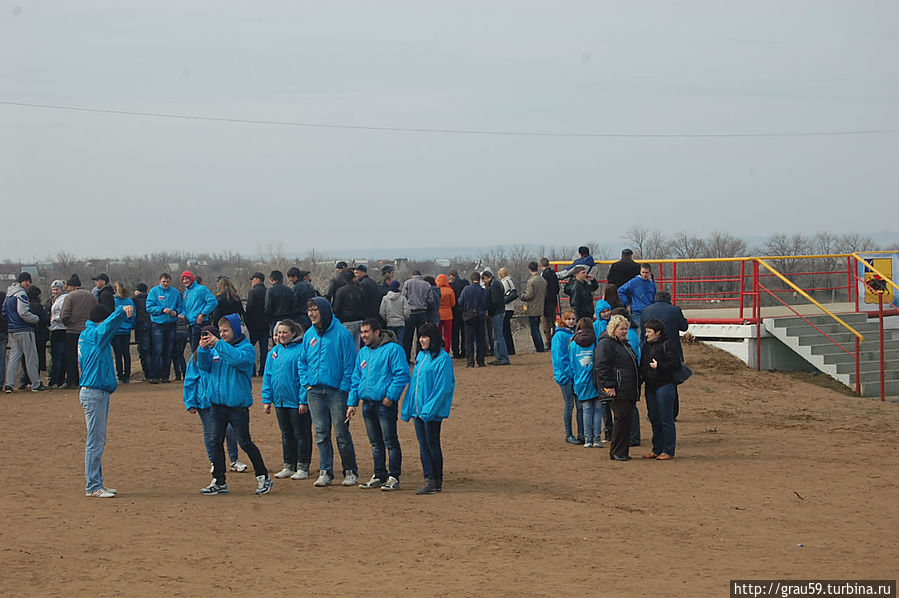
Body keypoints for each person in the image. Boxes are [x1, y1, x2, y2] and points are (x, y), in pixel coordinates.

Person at [198, 313, 273, 496]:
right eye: (221, 331)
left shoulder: (246, 349)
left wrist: (218, 345)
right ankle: (219, 480)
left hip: (237, 405)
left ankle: (263, 476)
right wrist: (203, 350)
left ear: (235, 330)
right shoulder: (217, 348)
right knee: (215, 441)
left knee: (245, 442)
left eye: (226, 330)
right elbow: (205, 367)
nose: (222, 334)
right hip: (217, 404)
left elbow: (237, 360)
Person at [298, 297, 359, 488]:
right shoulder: (309, 335)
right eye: (309, 311)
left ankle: (350, 470)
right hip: (314, 391)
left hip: (336, 392)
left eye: (315, 309)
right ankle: (325, 471)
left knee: (341, 433)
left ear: (324, 310)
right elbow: (302, 361)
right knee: (321, 433)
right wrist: (306, 383)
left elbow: (350, 364)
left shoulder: (342, 334)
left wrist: (343, 388)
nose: (311, 314)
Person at [346, 318, 410, 491]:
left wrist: (391, 396)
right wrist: (352, 402)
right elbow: (356, 378)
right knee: (375, 443)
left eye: (366, 332)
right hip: (367, 403)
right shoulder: (363, 353)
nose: (363, 335)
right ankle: (379, 474)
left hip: (384, 404)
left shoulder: (393, 350)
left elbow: (401, 374)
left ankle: (394, 476)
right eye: (362, 332)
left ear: (377, 332)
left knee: (390, 441)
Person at [78, 302, 133, 497]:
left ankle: (96, 482)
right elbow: (107, 328)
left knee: (97, 439)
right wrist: (121, 313)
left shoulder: (87, 336)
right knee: (95, 440)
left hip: (95, 392)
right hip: (94, 393)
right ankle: (93, 486)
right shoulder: (94, 336)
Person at [183, 326, 248, 478]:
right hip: (203, 401)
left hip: (219, 399)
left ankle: (234, 459)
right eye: (203, 336)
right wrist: (190, 402)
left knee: (230, 431)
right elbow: (190, 380)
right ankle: (214, 461)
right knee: (210, 433)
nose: (206, 339)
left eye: (209, 335)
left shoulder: (222, 352)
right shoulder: (197, 356)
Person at [401, 322, 455, 495]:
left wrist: (429, 409)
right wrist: (409, 407)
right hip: (418, 410)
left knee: (432, 444)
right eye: (421, 337)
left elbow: (443, 387)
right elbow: (414, 384)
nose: (422, 340)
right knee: (424, 445)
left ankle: (434, 479)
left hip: (430, 412)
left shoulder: (443, 359)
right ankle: (431, 479)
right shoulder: (421, 357)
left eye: (425, 337)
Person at [262, 319, 312, 480]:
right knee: (286, 434)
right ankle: (288, 465)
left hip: (296, 401)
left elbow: (305, 378)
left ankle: (303, 466)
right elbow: (268, 376)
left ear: (293, 333)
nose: (281, 335)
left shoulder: (300, 351)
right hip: (280, 401)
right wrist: (267, 399)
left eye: (285, 332)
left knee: (301, 434)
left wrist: (303, 401)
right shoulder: (273, 353)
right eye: (279, 333)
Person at [594, 314, 641, 461]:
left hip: (626, 389)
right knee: (621, 420)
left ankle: (620, 451)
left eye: (626, 328)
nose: (624, 331)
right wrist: (609, 386)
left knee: (625, 420)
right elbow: (601, 366)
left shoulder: (623, 344)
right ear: (613, 329)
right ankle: (617, 452)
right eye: (621, 329)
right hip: (618, 389)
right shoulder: (606, 344)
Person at [641, 290, 689, 419]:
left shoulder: (646, 310)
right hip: (670, 348)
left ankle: (653, 411)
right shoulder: (675, 310)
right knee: (672, 380)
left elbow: (642, 331)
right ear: (669, 299)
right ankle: (672, 412)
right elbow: (684, 327)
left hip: (650, 350)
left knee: (651, 380)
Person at [640, 318, 680, 460]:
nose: (646, 334)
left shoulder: (667, 345)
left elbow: (675, 364)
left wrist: (660, 366)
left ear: (658, 332)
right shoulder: (646, 346)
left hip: (665, 385)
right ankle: (656, 448)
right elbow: (642, 364)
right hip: (650, 386)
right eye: (646, 331)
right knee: (654, 418)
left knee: (666, 418)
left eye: (649, 331)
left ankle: (668, 450)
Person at [2, 273, 44, 393]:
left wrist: (11, 322)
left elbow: (4, 312)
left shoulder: (9, 294)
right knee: (31, 357)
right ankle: (36, 384)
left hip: (12, 330)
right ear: (21, 282)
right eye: (26, 281)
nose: (28, 284)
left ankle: (9, 384)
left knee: (14, 358)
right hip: (24, 329)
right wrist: (35, 319)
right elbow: (23, 312)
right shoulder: (21, 294)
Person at [570, 317, 604, 448]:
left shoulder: (573, 344)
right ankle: (597, 439)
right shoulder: (596, 343)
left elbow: (572, 364)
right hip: (595, 381)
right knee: (597, 410)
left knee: (586, 410)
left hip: (580, 381)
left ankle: (588, 439)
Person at [551, 310, 583, 444]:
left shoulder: (574, 333)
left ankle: (582, 433)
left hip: (575, 375)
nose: (571, 321)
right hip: (565, 376)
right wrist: (571, 373)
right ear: (564, 320)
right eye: (568, 319)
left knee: (581, 405)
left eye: (573, 319)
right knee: (569, 405)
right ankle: (569, 434)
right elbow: (560, 359)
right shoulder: (559, 336)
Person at [61, 274, 97, 387]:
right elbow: (97, 311)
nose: (67, 289)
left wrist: (69, 324)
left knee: (72, 357)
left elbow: (64, 314)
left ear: (72, 286)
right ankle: (89, 379)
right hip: (88, 330)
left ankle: (73, 380)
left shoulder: (70, 297)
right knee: (88, 356)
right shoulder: (91, 296)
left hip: (73, 331)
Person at [146, 273, 182, 384]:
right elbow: (149, 307)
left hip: (171, 324)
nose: (165, 283)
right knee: (158, 350)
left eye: (167, 281)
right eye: (163, 281)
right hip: (158, 324)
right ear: (159, 281)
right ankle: (154, 376)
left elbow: (180, 306)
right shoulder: (153, 292)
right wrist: (161, 310)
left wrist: (176, 312)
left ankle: (165, 376)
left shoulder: (175, 293)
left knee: (169, 351)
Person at [180, 270, 218, 353]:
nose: (185, 281)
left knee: (201, 350)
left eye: (187, 278)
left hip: (201, 324)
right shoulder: (186, 293)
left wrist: (203, 314)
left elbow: (213, 302)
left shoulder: (201, 289)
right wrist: (183, 314)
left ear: (192, 279)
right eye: (183, 279)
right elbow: (184, 308)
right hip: (190, 324)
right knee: (194, 351)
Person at [458, 271, 487, 368]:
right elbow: (486, 304)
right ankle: (481, 361)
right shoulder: (484, 291)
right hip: (481, 316)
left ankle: (470, 361)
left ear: (471, 279)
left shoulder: (466, 289)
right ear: (479, 280)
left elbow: (460, 302)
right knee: (481, 339)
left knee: (469, 340)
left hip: (469, 317)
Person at [401, 270, 432, 362]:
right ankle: (420, 357)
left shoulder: (407, 283)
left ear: (412, 275)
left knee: (408, 337)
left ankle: (407, 357)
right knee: (422, 337)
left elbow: (403, 296)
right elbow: (431, 299)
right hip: (422, 312)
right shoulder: (427, 285)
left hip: (411, 313)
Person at [482, 270, 510, 366]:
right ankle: (499, 357)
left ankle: (503, 358)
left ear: (486, 277)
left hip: (497, 312)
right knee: (497, 336)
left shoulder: (493, 285)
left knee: (498, 336)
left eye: (484, 280)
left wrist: (487, 308)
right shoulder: (497, 283)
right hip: (500, 311)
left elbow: (495, 301)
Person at [243, 273, 268, 377]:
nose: (252, 281)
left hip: (253, 326)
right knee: (264, 350)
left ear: (257, 280)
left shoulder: (252, 292)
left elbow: (249, 308)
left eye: (253, 279)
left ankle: (252, 371)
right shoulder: (268, 291)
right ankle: (263, 371)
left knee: (250, 349)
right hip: (265, 325)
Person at [519, 261, 547, 353]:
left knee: (534, 330)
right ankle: (541, 347)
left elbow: (529, 295)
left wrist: (523, 296)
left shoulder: (531, 281)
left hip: (533, 308)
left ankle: (539, 348)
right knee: (537, 328)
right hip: (541, 306)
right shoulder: (542, 280)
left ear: (530, 269)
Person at [111, 282, 135, 384]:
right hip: (126, 331)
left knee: (118, 354)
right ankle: (127, 375)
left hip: (117, 331)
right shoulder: (129, 301)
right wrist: (129, 326)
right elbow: (133, 316)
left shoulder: (113, 301)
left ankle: (120, 375)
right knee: (126, 353)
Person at [48, 280, 68, 388]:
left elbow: (63, 314)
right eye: (53, 289)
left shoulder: (63, 299)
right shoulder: (55, 299)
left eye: (57, 289)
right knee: (59, 356)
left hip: (59, 329)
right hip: (56, 329)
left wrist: (54, 319)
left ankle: (56, 379)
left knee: (57, 356)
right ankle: (59, 379)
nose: (55, 291)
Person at [380, 280, 410, 349]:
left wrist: (386, 319)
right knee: (400, 342)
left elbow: (382, 311)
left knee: (390, 342)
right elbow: (406, 311)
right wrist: (404, 318)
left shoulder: (385, 298)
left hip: (390, 323)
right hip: (400, 323)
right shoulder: (402, 298)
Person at [264, 270, 294, 337]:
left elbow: (268, 308)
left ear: (271, 279)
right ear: (282, 279)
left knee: (276, 339)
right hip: (288, 318)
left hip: (275, 319)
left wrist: (268, 319)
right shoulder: (289, 290)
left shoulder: (270, 291)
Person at [132, 283, 152, 381]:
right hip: (151, 325)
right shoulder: (150, 298)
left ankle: (149, 375)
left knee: (144, 351)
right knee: (151, 350)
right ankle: (154, 374)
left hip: (141, 326)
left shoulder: (135, 300)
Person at [540, 257, 560, 350]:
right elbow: (557, 288)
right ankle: (555, 340)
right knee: (553, 321)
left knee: (546, 323)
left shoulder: (543, 275)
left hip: (546, 302)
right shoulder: (553, 274)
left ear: (541, 265)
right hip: (553, 300)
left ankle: (548, 342)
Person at [447, 269, 468, 358]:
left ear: (451, 276)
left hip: (454, 311)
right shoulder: (465, 283)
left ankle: (456, 352)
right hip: (465, 310)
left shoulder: (450, 285)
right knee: (464, 332)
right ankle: (464, 351)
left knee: (454, 333)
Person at [498, 267, 517, 356]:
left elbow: (503, 294)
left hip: (506, 308)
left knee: (505, 330)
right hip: (511, 307)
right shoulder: (510, 281)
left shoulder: (504, 283)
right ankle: (511, 349)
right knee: (507, 329)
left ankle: (508, 349)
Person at [435, 274, 456, 353]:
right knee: (447, 335)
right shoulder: (450, 290)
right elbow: (453, 303)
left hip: (438, 314)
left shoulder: (436, 290)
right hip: (448, 314)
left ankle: (439, 350)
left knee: (438, 334)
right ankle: (447, 350)